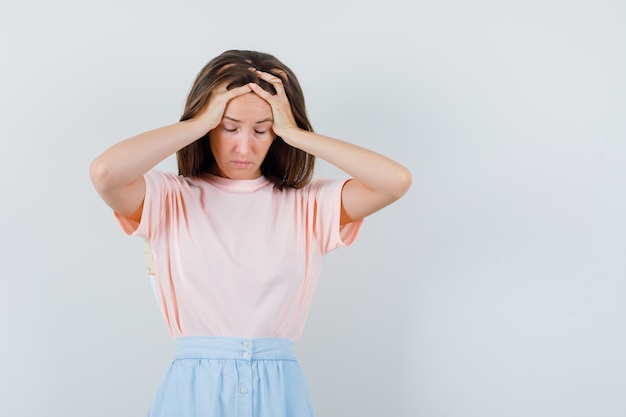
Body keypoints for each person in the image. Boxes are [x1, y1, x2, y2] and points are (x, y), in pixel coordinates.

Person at [90, 49, 411, 417]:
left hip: (280, 392)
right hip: (195, 392)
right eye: (228, 127)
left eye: (262, 130)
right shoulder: (169, 198)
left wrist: (295, 133)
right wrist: (197, 124)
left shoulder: (307, 206)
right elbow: (105, 173)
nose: (244, 146)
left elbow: (395, 181)